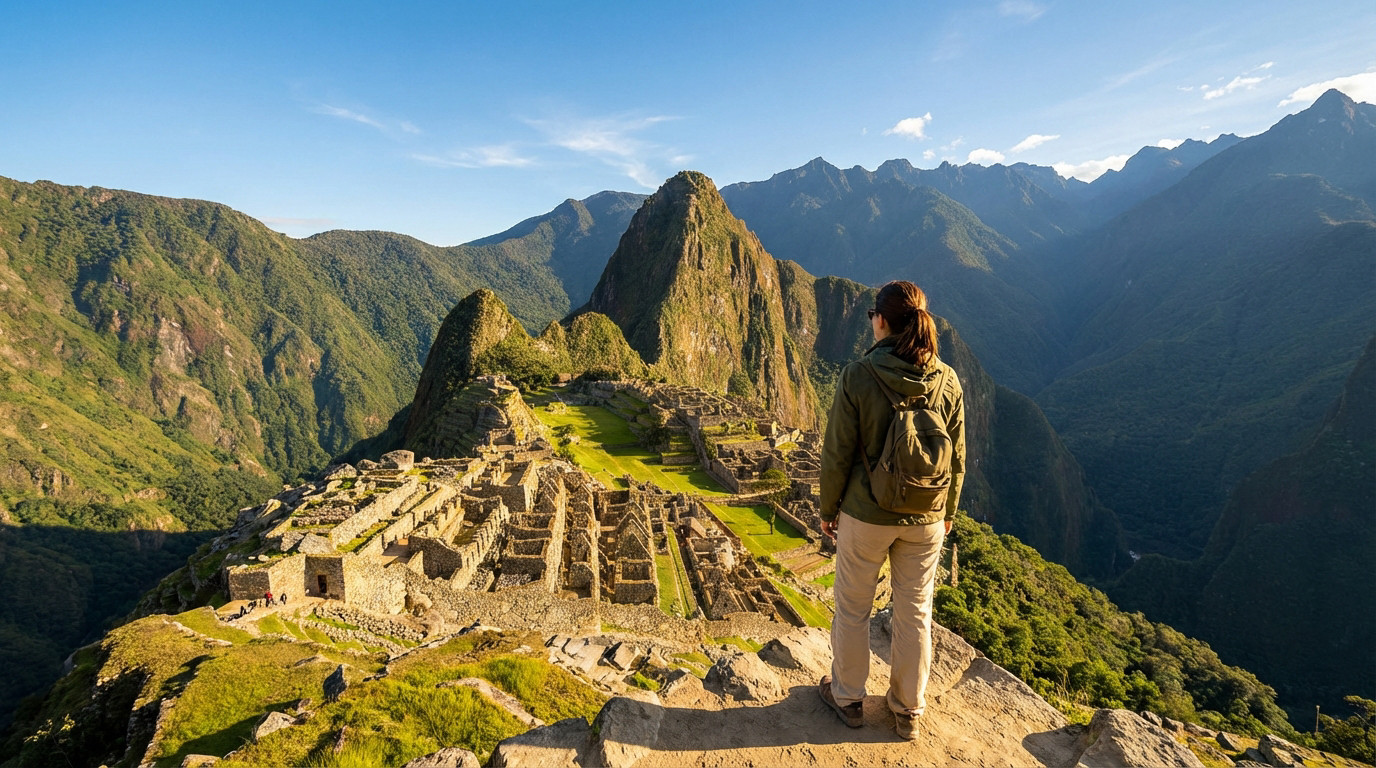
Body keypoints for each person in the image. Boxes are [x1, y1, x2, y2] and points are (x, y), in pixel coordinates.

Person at [817, 280, 965, 742]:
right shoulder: (948, 380)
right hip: (927, 517)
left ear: (880, 320)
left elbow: (838, 453)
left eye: (872, 316)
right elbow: (957, 457)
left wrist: (828, 509)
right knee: (916, 612)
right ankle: (908, 709)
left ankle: (848, 698)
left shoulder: (858, 375)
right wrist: (947, 511)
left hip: (866, 515)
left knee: (853, 608)